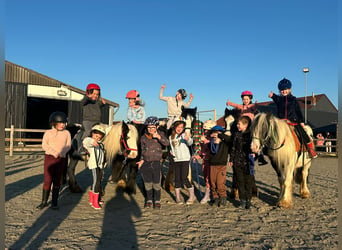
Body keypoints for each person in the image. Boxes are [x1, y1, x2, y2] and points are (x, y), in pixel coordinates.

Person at [269, 78, 317, 158]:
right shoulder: (279, 99)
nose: (284, 91)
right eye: (282, 90)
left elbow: (298, 110)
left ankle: (310, 149)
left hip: (292, 121)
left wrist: (301, 121)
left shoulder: (293, 100)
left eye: (286, 89)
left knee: (302, 132)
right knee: (271, 132)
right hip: (281, 121)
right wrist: (272, 96)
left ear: (290, 89)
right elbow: (276, 98)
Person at [37, 111, 71, 210]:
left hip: (61, 159)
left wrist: (62, 153)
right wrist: (53, 152)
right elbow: (44, 145)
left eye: (64, 123)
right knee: (48, 180)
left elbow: (68, 145)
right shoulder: (48, 133)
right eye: (60, 123)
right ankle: (44, 202)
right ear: (53, 123)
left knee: (57, 181)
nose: (62, 125)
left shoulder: (67, 133)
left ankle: (54, 202)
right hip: (50, 158)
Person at [227, 90, 268, 166]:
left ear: (250, 99)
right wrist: (230, 103)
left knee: (256, 138)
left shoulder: (251, 106)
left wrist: (255, 105)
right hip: (242, 126)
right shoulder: (241, 107)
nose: (245, 101)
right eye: (244, 99)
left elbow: (255, 107)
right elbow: (236, 105)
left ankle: (260, 156)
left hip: (250, 126)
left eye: (247, 99)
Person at [137, 116, 169, 209]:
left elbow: (167, 143)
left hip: (156, 162)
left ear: (157, 127)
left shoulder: (161, 134)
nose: (151, 129)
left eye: (153, 128)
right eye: (149, 127)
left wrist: (159, 137)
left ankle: (157, 200)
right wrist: (141, 160)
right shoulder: (143, 137)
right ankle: (149, 199)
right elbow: (142, 150)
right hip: (146, 163)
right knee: (147, 183)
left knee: (156, 182)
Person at [229, 116, 254, 209]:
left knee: (248, 182)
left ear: (246, 124)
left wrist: (255, 155)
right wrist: (231, 159)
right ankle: (242, 201)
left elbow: (256, 148)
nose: (237, 126)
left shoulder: (251, 135)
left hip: (248, 162)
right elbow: (233, 148)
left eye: (239, 124)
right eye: (237, 124)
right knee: (240, 181)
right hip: (237, 161)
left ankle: (248, 200)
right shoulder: (236, 134)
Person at [169, 117, 196, 204]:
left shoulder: (185, 135)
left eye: (181, 127)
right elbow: (172, 147)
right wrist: (172, 153)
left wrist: (188, 139)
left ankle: (192, 196)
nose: (179, 129)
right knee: (177, 179)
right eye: (178, 127)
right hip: (176, 160)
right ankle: (178, 197)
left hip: (185, 159)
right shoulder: (171, 137)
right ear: (174, 126)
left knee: (184, 178)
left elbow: (190, 143)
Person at [83, 124, 106, 210]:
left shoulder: (100, 145)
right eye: (96, 135)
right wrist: (92, 142)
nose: (97, 138)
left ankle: (92, 199)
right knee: (96, 182)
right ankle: (94, 202)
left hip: (99, 165)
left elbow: (102, 155)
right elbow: (86, 141)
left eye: (99, 136)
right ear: (92, 133)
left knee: (97, 181)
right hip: (94, 165)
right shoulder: (90, 142)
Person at [193, 119, 216, 204]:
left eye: (208, 130)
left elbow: (215, 150)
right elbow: (203, 151)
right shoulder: (203, 138)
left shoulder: (215, 139)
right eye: (205, 130)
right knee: (206, 177)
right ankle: (207, 195)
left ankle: (214, 195)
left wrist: (209, 142)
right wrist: (198, 156)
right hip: (205, 161)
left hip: (213, 162)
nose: (206, 131)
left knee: (212, 179)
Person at [208, 125, 231, 207]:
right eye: (214, 133)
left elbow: (229, 139)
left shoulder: (225, 143)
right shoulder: (211, 143)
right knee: (213, 182)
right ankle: (215, 198)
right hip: (212, 165)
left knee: (220, 182)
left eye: (218, 133)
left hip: (221, 165)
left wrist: (220, 136)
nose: (216, 135)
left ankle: (223, 197)